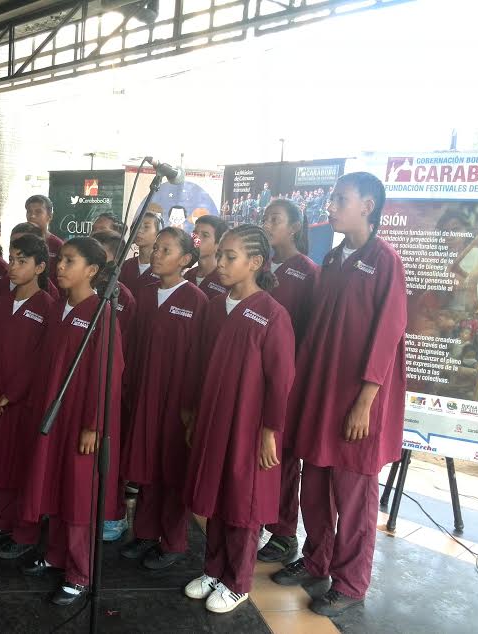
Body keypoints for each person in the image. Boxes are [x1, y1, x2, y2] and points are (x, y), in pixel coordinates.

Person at [271, 172, 407, 617]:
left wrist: (365, 401)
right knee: (316, 484)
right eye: (331, 198)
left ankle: (350, 583)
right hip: (321, 394)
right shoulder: (332, 260)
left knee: (353, 497)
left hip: (357, 403)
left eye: (340, 199)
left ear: (368, 206)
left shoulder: (385, 261)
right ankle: (316, 562)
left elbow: (387, 336)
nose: (330, 206)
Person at [183, 224, 295, 614]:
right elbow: (198, 365)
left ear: (256, 263)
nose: (221, 264)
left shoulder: (272, 315)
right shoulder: (214, 307)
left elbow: (280, 382)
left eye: (231, 257)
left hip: (249, 425)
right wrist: (192, 413)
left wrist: (270, 432)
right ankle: (213, 568)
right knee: (214, 496)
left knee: (242, 504)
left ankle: (238, 580)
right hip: (214, 418)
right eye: (221, 256)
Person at [20, 237, 124, 606]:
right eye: (59, 260)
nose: (59, 267)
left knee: (80, 494)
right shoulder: (59, 307)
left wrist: (94, 424)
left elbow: (109, 374)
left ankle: (80, 574)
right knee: (57, 486)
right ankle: (57, 555)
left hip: (82, 419)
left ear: (92, 271)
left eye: (69, 261)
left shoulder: (102, 312)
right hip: (54, 414)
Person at [120, 227, 207, 570]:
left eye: (166, 250)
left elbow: (199, 359)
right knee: (146, 465)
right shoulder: (144, 292)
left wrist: (191, 408)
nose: (156, 254)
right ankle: (144, 532)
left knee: (171, 469)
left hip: (176, 401)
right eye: (156, 248)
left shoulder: (195, 301)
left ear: (185, 260)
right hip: (144, 393)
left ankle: (172, 541)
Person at [0, 234, 55, 558]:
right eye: (13, 258)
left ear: (40, 267)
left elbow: (40, 360)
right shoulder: (1, 302)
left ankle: (24, 533)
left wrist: (10, 396)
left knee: (23, 466)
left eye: (23, 261)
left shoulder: (48, 307)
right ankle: (0, 521)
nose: (14, 266)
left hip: (23, 404)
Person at [257, 199, 319, 564]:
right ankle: (256, 519)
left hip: (287, 377)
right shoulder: (258, 265)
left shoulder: (308, 272)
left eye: (275, 219)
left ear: (295, 227)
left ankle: (283, 531)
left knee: (282, 455)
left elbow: (311, 331)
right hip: (252, 375)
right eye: (265, 218)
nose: (267, 224)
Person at [90, 229, 137, 543]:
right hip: (83, 384)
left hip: (110, 386)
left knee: (108, 450)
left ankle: (112, 514)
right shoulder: (81, 291)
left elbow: (124, 348)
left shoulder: (122, 297)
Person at [0, 222, 60, 302]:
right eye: (13, 243)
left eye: (24, 242)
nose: (17, 247)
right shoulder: (1, 284)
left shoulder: (50, 293)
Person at [185, 215, 229, 299]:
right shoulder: (187, 275)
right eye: (194, 233)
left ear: (219, 245)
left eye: (205, 235)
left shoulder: (227, 280)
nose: (196, 239)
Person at [26, 194, 64, 293]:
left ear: (49, 216)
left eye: (38, 212)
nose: (32, 216)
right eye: (29, 211)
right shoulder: (22, 241)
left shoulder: (58, 245)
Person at [119, 212, 163, 293]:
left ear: (158, 233)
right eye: (137, 226)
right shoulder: (125, 266)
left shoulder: (165, 269)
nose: (139, 231)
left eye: (146, 227)